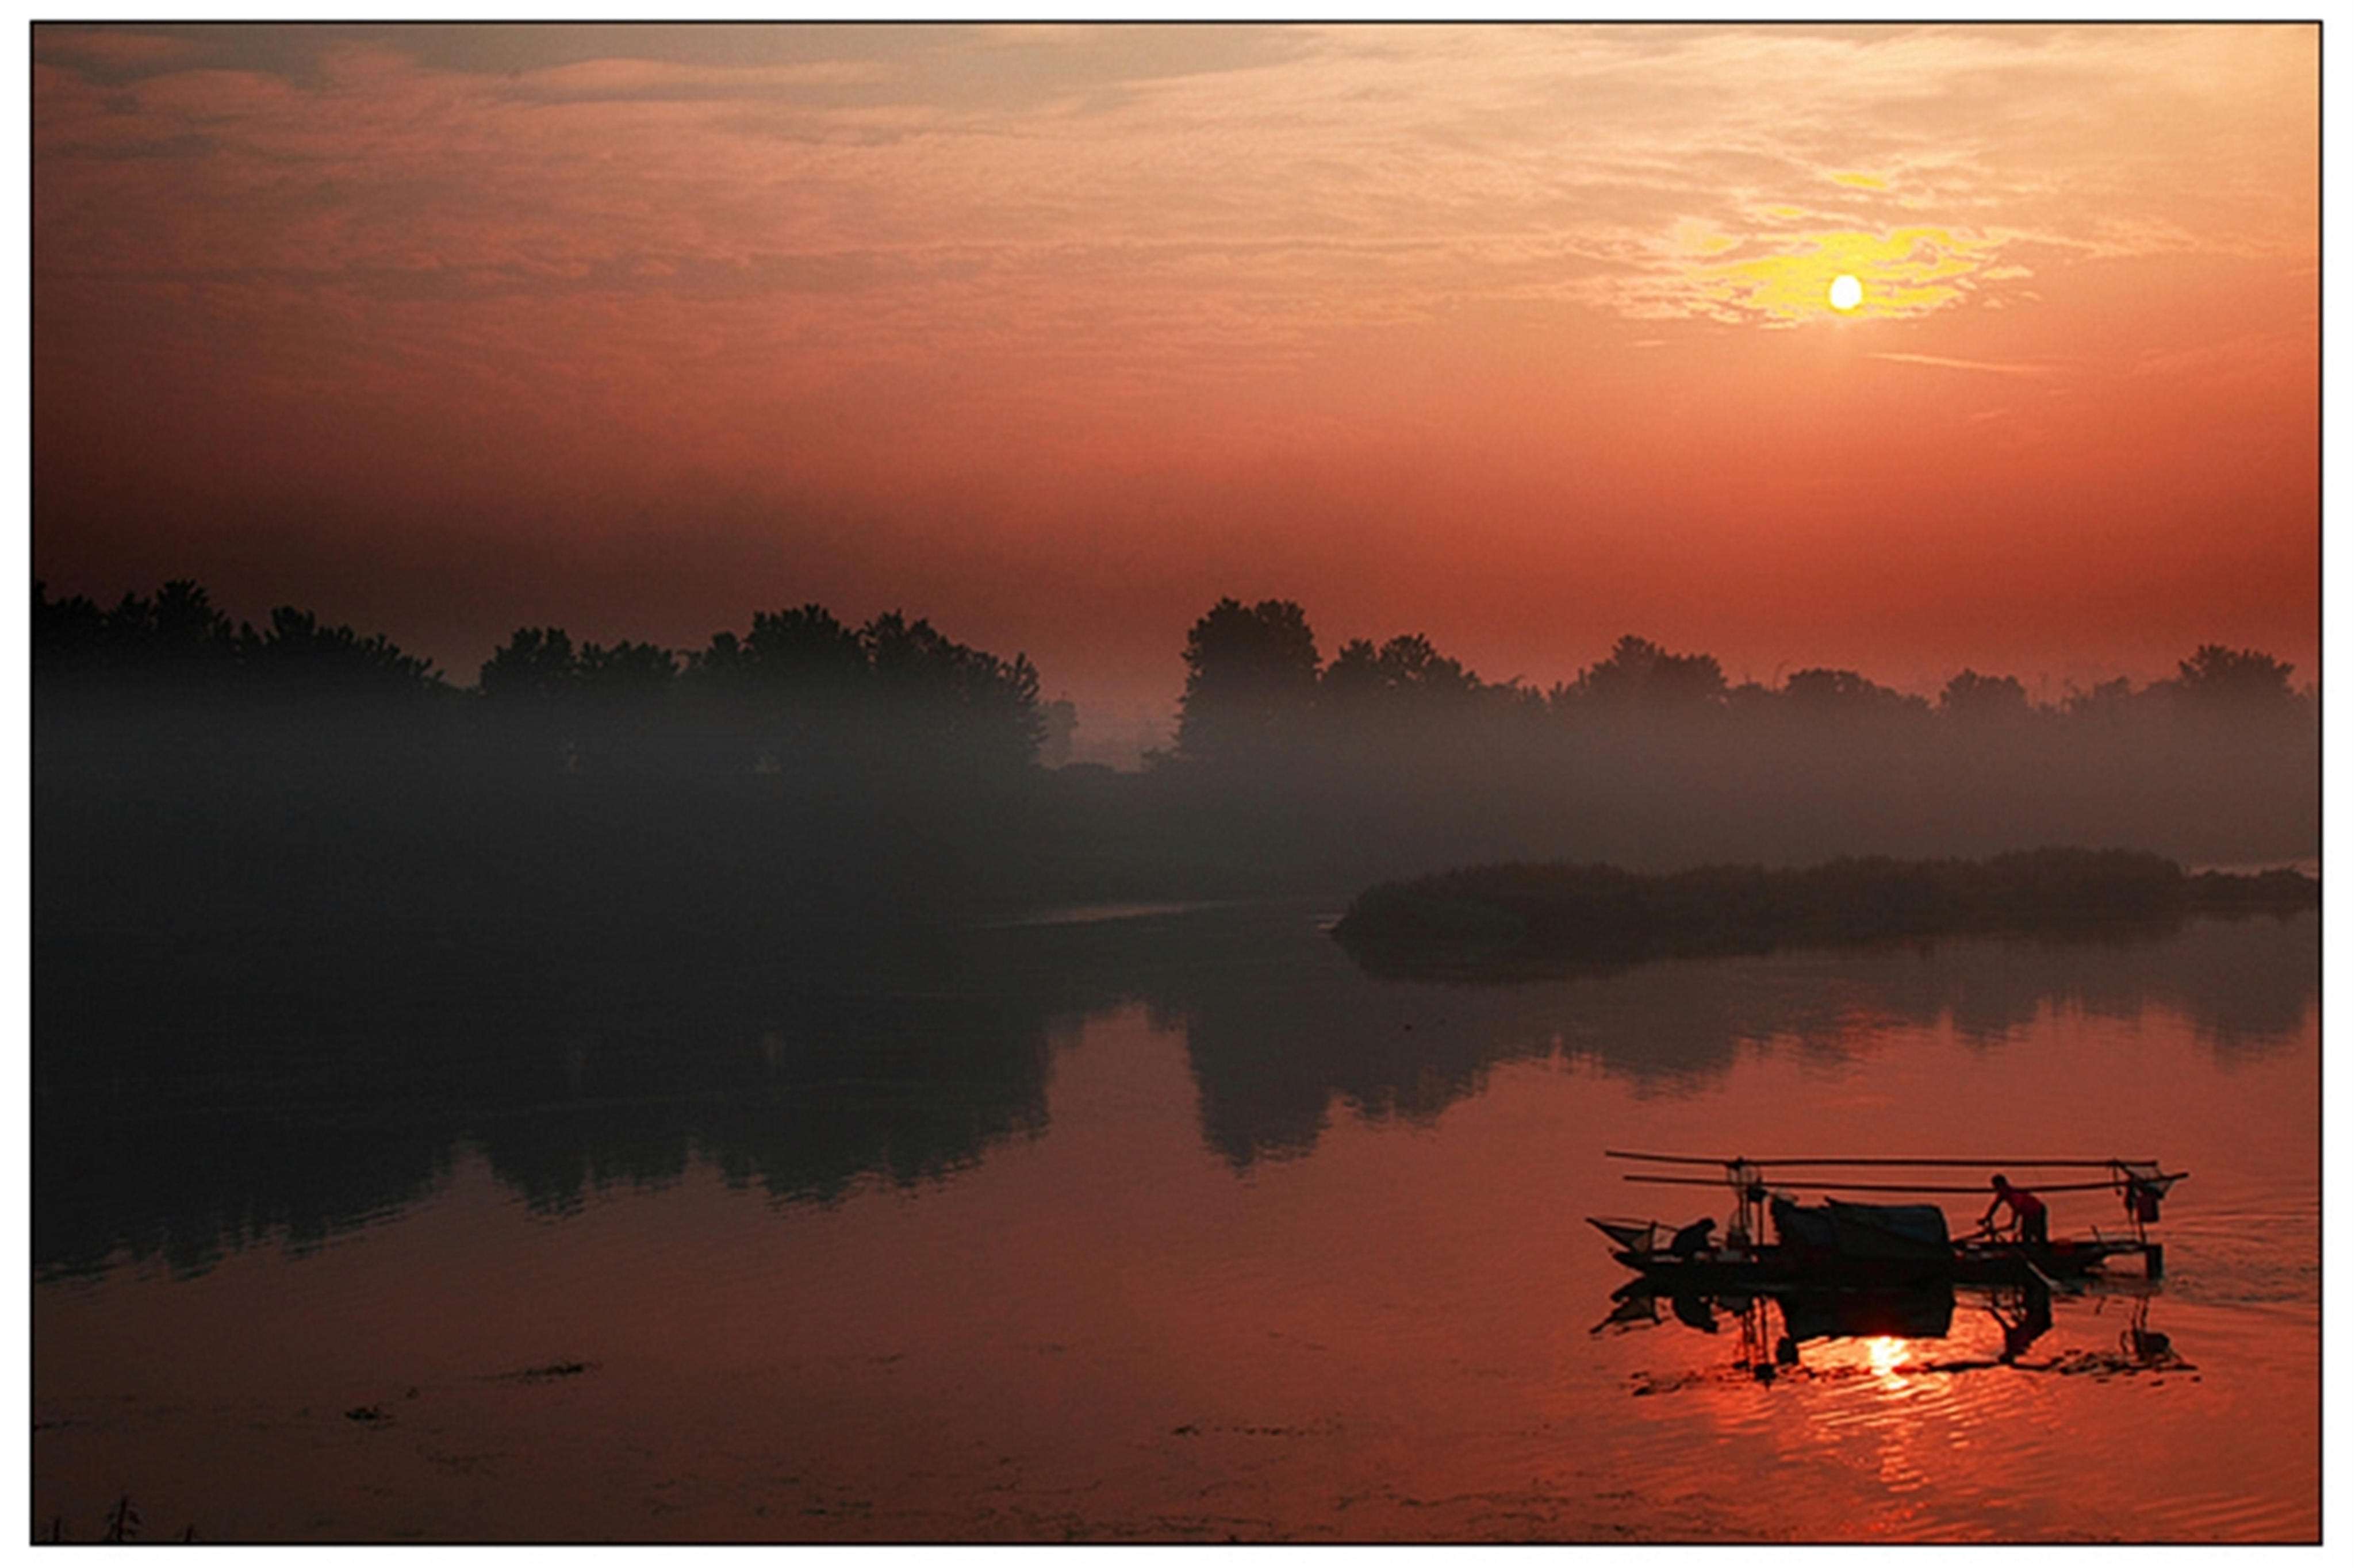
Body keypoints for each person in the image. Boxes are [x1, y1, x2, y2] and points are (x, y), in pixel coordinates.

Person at [1982, 1174, 2048, 1244]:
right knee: (2026, 1234)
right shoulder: (2004, 1193)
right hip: (2027, 1212)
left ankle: (2041, 1247)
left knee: (2035, 1232)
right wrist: (1987, 1217)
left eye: (1997, 1186)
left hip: (2036, 1210)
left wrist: (2013, 1222)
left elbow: (2018, 1207)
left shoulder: (2012, 1193)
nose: (1997, 1189)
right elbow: (1995, 1205)